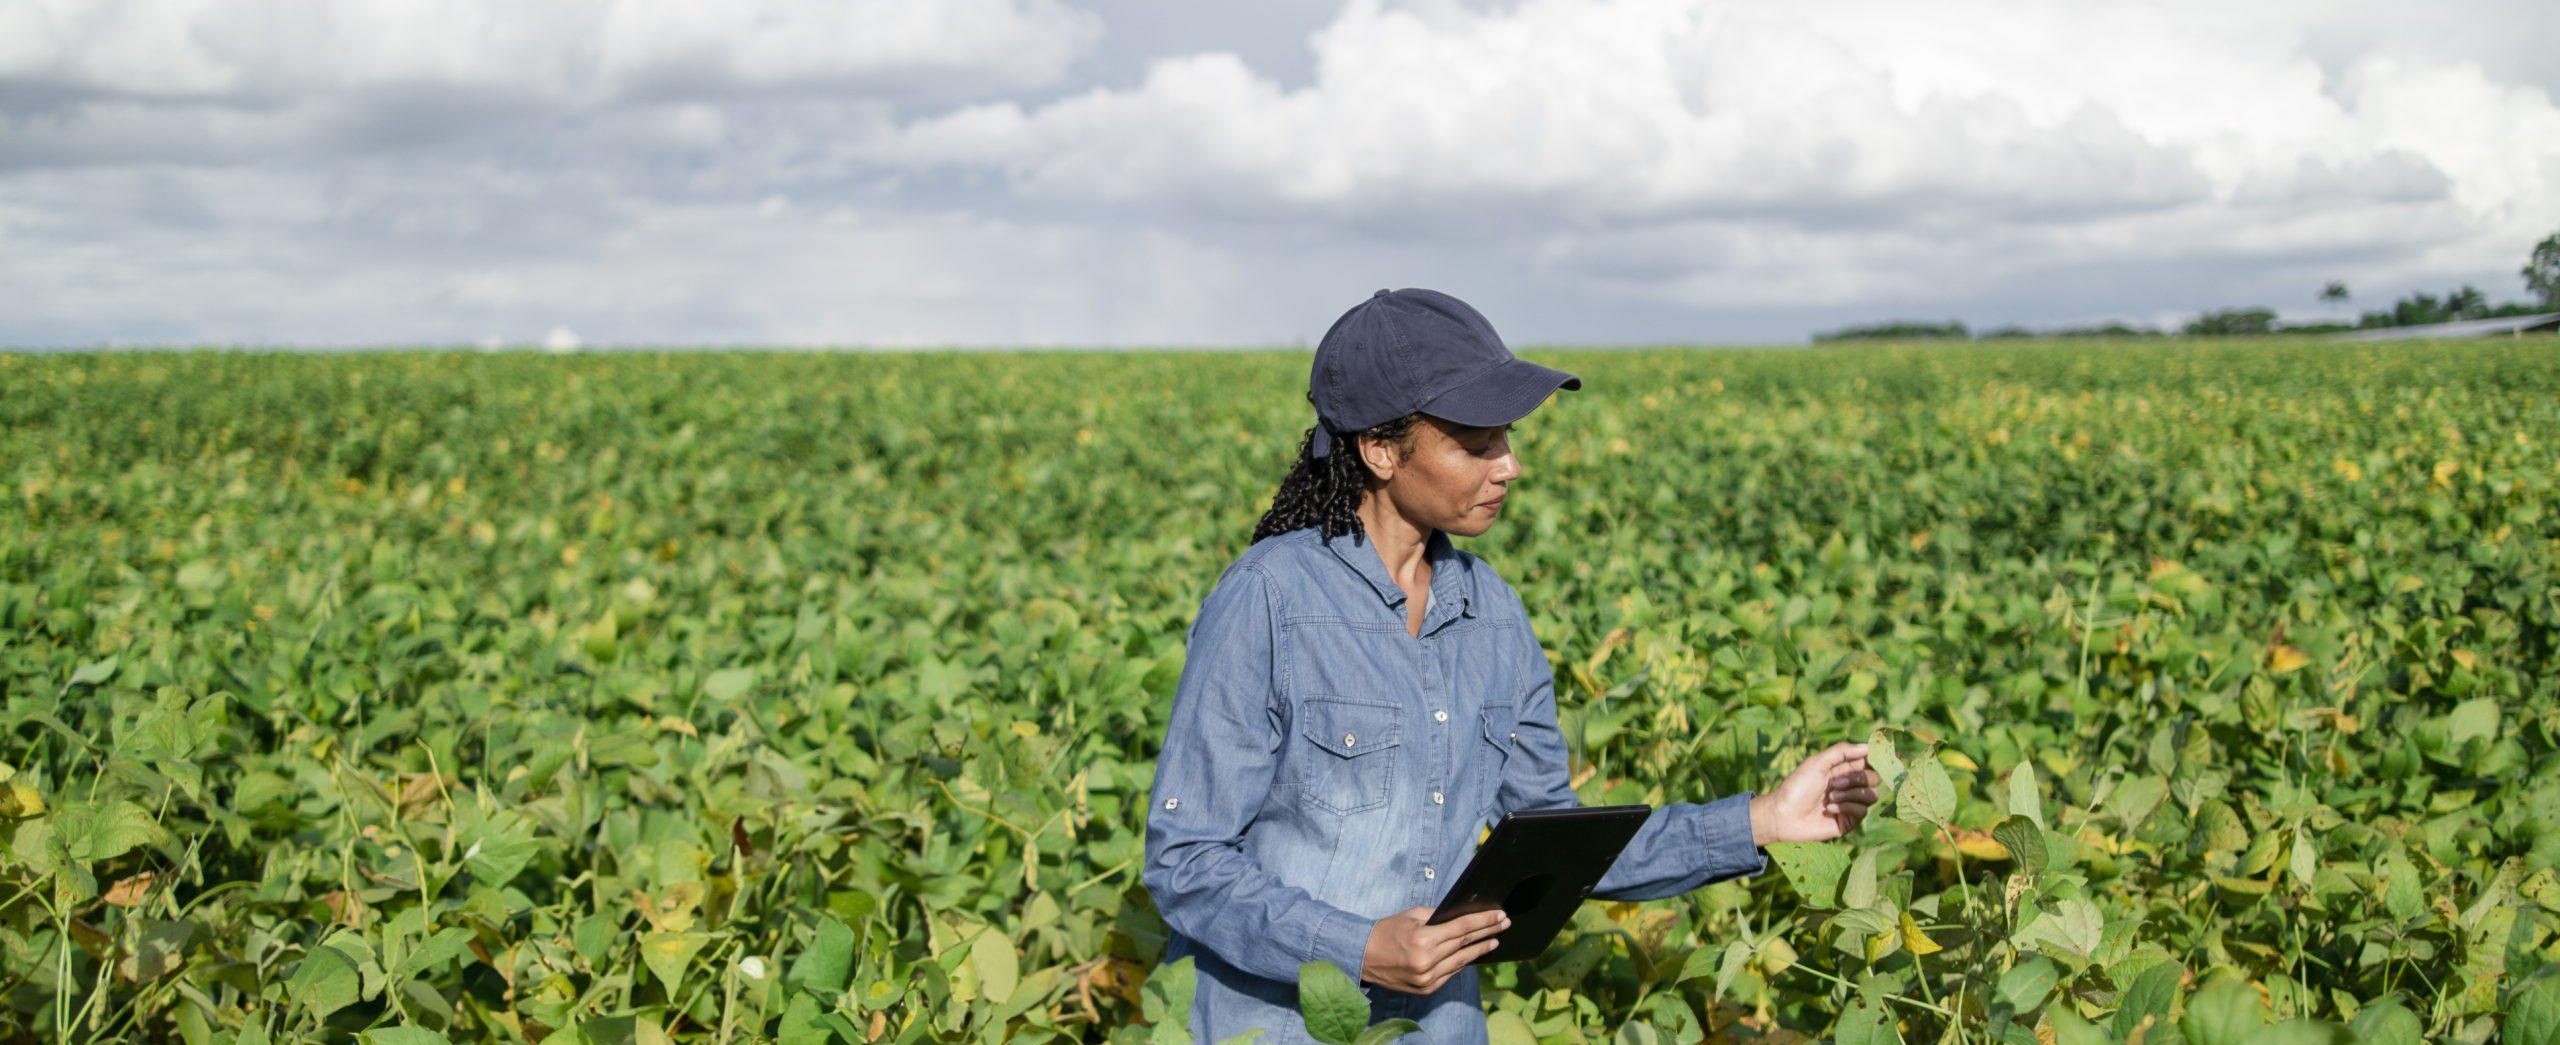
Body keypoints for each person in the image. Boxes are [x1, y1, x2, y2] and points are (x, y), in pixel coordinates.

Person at [1142, 288, 1882, 1043]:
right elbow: (1187, 861)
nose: (1510, 466)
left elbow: (1553, 839)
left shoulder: (1492, 614)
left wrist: (1762, 819)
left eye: (1507, 437)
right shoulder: (1269, 598)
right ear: (1380, 449)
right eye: (1476, 442)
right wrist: (1359, 948)